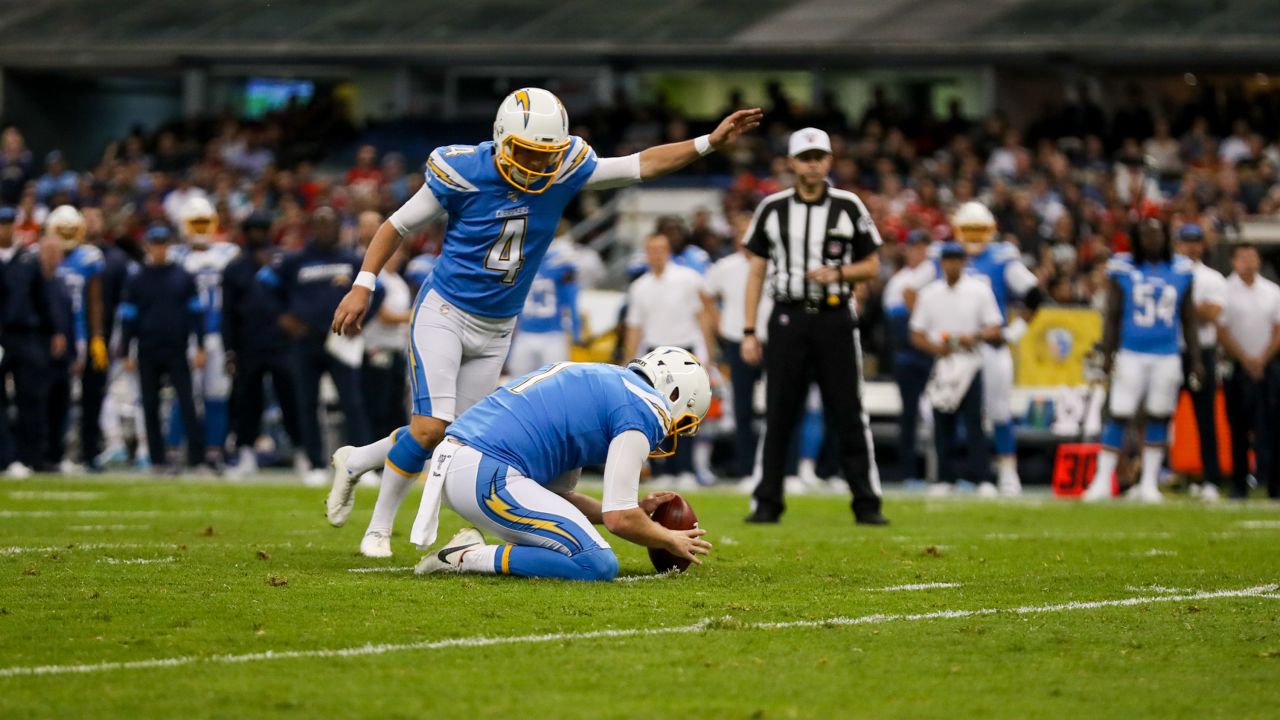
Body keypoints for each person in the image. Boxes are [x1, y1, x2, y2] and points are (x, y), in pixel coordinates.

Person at [326, 87, 761, 557]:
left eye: (545, 156)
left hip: (498, 324)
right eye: (527, 154)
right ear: (501, 140)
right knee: (432, 428)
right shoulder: (463, 169)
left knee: (455, 437)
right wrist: (363, 283)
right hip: (445, 309)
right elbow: (397, 225)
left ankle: (358, 460)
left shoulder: (568, 168)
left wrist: (709, 143)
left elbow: (642, 164)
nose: (536, 166)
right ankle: (379, 526)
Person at [410, 347, 713, 581]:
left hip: (462, 464)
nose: (671, 430)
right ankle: (468, 556)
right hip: (487, 470)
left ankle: (469, 551)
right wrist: (669, 537)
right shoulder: (647, 407)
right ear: (675, 395)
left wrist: (636, 509)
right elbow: (619, 519)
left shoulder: (601, 380)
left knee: (574, 548)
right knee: (595, 563)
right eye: (681, 423)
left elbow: (557, 498)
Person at [740, 127, 887, 526]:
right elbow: (756, 273)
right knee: (779, 412)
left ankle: (866, 503)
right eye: (805, 158)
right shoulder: (772, 208)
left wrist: (838, 273)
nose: (812, 164)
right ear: (791, 163)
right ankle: (767, 502)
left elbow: (873, 264)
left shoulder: (848, 205)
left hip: (835, 316)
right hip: (787, 317)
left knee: (849, 411)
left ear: (829, 160)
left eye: (819, 156)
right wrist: (750, 330)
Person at [1083, 219, 1202, 503]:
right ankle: (1103, 480)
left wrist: (1195, 359)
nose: (1152, 240)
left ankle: (1149, 483)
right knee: (1119, 413)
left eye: (1157, 233)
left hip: (1167, 353)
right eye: (1146, 235)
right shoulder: (1123, 267)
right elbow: (1112, 316)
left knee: (1159, 414)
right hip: (1130, 352)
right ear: (1136, 239)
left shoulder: (1181, 269)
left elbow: (1189, 319)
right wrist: (1107, 355)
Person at [260, 206, 377, 485]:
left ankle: (363, 466)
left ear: (339, 227)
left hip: (340, 339)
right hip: (305, 340)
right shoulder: (295, 260)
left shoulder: (351, 259)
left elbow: (377, 290)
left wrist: (360, 319)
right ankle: (314, 463)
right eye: (319, 223)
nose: (324, 229)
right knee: (307, 402)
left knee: (353, 402)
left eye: (329, 223)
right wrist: (282, 316)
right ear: (312, 228)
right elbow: (264, 284)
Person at [947, 200, 1043, 496]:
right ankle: (956, 474)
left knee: (999, 411)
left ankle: (1007, 472)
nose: (974, 237)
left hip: (989, 346)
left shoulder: (1002, 258)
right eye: (969, 230)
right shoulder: (947, 256)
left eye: (979, 230)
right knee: (951, 412)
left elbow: (1034, 293)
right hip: (955, 349)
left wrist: (1013, 332)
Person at [909, 242, 1003, 494]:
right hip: (944, 363)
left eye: (957, 260)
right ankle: (945, 478)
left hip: (970, 361)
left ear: (964, 262)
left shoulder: (978, 290)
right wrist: (935, 348)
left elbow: (995, 326)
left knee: (974, 422)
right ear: (942, 263)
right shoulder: (930, 293)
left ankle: (981, 478)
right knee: (942, 422)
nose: (952, 265)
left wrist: (974, 336)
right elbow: (916, 333)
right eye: (948, 260)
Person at [222, 211, 304, 477]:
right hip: (249, 345)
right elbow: (228, 312)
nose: (258, 234)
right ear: (246, 233)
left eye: (262, 229)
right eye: (253, 229)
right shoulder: (235, 267)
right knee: (247, 402)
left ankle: (303, 452)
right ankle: (245, 454)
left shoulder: (283, 263)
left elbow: (295, 299)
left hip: (281, 343)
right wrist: (229, 349)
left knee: (291, 398)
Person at [118, 224, 206, 472]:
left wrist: (199, 345)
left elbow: (196, 313)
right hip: (148, 348)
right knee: (149, 404)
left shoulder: (182, 276)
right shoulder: (137, 279)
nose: (159, 249)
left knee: (187, 402)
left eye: (163, 243)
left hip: (176, 347)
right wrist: (126, 350)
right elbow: (128, 317)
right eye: (155, 244)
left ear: (168, 246)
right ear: (148, 246)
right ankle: (157, 458)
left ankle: (197, 458)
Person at [705, 210, 771, 481]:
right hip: (737, 339)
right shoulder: (725, 266)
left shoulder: (773, 263)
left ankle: (782, 471)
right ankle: (746, 470)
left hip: (772, 340)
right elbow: (706, 295)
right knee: (743, 409)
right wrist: (720, 324)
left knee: (780, 407)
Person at [174, 196, 240, 466]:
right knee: (184, 393)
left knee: (217, 394)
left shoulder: (228, 253)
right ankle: (175, 449)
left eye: (204, 223)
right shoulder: (174, 256)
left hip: (218, 334)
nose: (200, 229)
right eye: (195, 223)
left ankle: (214, 450)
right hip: (187, 335)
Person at [46, 205, 110, 472]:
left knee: (90, 397)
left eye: (72, 229)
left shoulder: (89, 257)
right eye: (62, 229)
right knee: (56, 396)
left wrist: (96, 337)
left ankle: (89, 452)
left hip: (82, 334)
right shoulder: (46, 255)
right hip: (55, 334)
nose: (67, 234)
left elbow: (95, 300)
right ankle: (54, 452)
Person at [1217, 243, 1280, 499]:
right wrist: (1245, 359)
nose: (1249, 262)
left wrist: (1262, 358)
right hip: (1237, 366)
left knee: (1274, 426)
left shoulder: (1272, 290)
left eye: (1252, 257)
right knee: (1238, 427)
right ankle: (1239, 483)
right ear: (1233, 261)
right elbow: (1222, 331)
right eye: (1243, 257)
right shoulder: (1224, 290)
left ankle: (1274, 483)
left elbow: (1278, 329)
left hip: (1269, 365)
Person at [0, 206, 60, 477]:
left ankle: (32, 456)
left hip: (25, 334)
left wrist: (55, 330)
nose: (5, 229)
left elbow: (42, 297)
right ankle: (6, 457)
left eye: (8, 223)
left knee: (31, 397)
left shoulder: (27, 258)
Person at [1175, 223, 1227, 500]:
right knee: (1159, 415)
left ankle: (1211, 480)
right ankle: (1151, 476)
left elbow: (1213, 312)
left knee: (1205, 418)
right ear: (1178, 243)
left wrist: (1180, 308)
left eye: (1196, 241)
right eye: (1187, 241)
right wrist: (1196, 309)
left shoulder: (1211, 277)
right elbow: (1202, 310)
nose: (1192, 246)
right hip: (1171, 351)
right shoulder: (1169, 272)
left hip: (1202, 353)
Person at [882, 229, 935, 483]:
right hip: (910, 357)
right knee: (910, 415)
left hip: (934, 356)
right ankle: (908, 472)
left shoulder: (936, 278)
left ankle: (943, 471)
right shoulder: (900, 282)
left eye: (923, 248)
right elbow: (897, 325)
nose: (919, 253)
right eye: (915, 248)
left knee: (943, 414)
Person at [506, 239, 579, 377]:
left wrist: (576, 332)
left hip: (552, 333)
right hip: (526, 333)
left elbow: (571, 299)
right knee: (517, 382)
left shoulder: (560, 261)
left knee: (553, 382)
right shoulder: (524, 263)